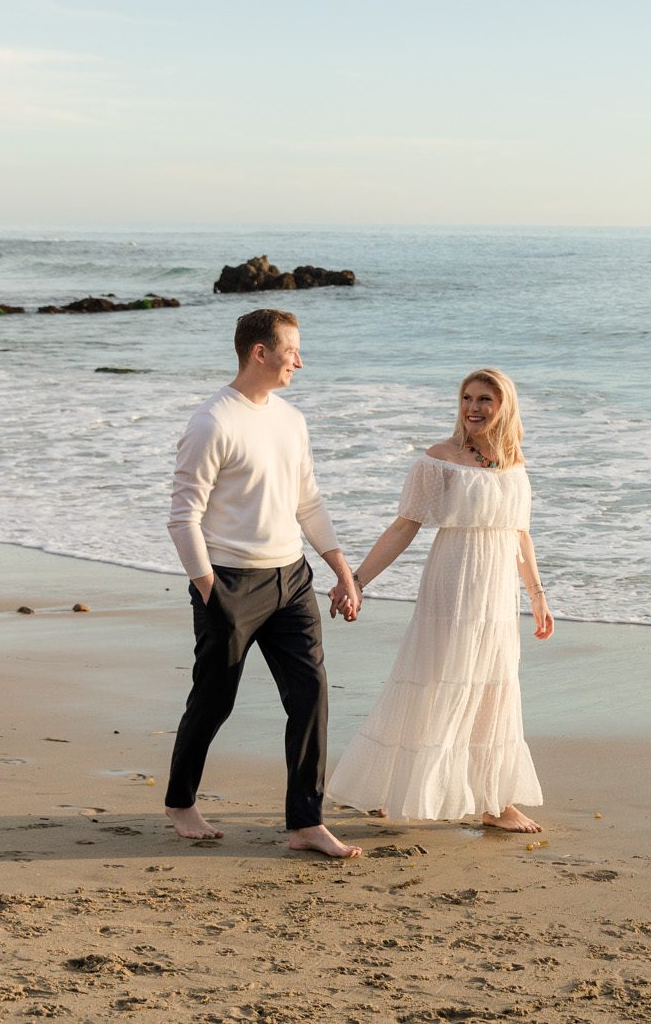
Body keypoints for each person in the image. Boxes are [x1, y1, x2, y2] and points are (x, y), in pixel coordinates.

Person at [163, 307, 363, 858]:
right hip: (229, 581)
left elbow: (309, 502)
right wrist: (210, 590)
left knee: (311, 695)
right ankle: (181, 802)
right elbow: (183, 515)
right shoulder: (213, 421)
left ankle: (305, 822)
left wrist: (341, 570)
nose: (300, 360)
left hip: (291, 579)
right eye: (292, 350)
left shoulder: (291, 420)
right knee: (214, 698)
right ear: (260, 353)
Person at [326, 366, 552, 832]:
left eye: (485, 400)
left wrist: (538, 595)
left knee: (494, 687)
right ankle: (387, 786)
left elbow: (519, 535)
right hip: (454, 582)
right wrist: (357, 580)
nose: (473, 407)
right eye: (467, 398)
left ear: (504, 405)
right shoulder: (439, 459)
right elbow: (404, 526)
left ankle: (496, 802)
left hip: (497, 595)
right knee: (433, 680)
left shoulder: (515, 462)